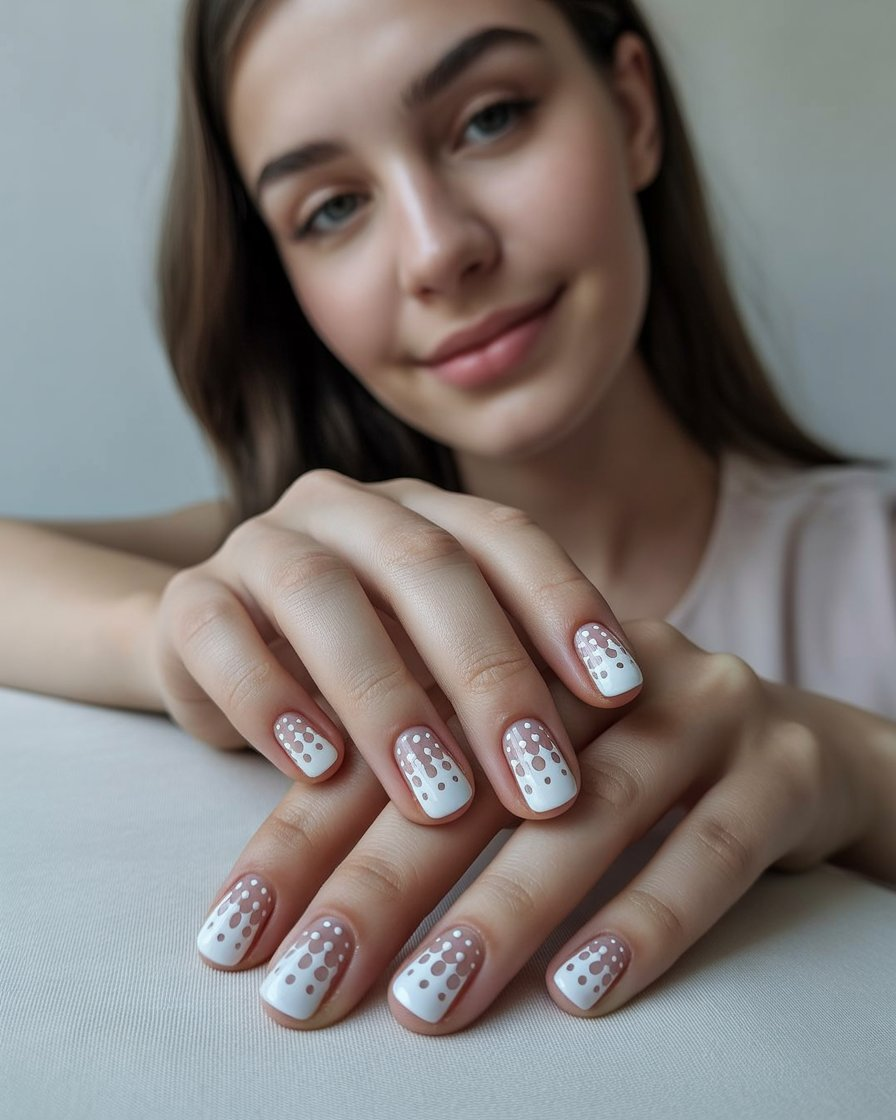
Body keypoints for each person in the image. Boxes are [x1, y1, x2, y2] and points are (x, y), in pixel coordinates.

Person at [2, 0, 894, 1037]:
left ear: (631, 110)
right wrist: (174, 640)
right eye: (332, 208)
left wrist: (856, 770)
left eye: (490, 119)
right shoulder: (282, 576)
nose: (436, 252)